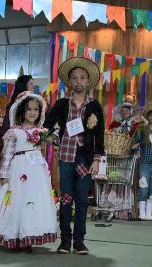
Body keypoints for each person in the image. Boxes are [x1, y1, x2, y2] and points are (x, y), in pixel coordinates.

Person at [0, 92, 56, 252]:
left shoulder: (41, 132)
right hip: (19, 170)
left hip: (36, 173)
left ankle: (27, 238)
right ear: (22, 111)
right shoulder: (14, 131)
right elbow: (7, 155)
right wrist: (4, 175)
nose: (32, 112)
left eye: (36, 109)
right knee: (17, 203)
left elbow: (55, 142)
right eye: (28, 109)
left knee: (32, 203)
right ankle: (15, 237)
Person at [44, 57, 104, 255]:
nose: (79, 81)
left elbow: (99, 135)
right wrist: (53, 134)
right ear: (69, 82)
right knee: (66, 198)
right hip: (66, 158)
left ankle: (79, 241)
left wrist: (96, 159)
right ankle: (64, 241)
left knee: (82, 199)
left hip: (85, 159)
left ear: (89, 82)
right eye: (74, 78)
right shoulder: (62, 104)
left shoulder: (95, 106)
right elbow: (48, 124)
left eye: (82, 78)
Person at [0, 75, 35, 140]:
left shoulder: (33, 103)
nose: (33, 86)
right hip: (17, 142)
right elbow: (6, 127)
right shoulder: (13, 105)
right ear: (23, 86)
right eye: (31, 84)